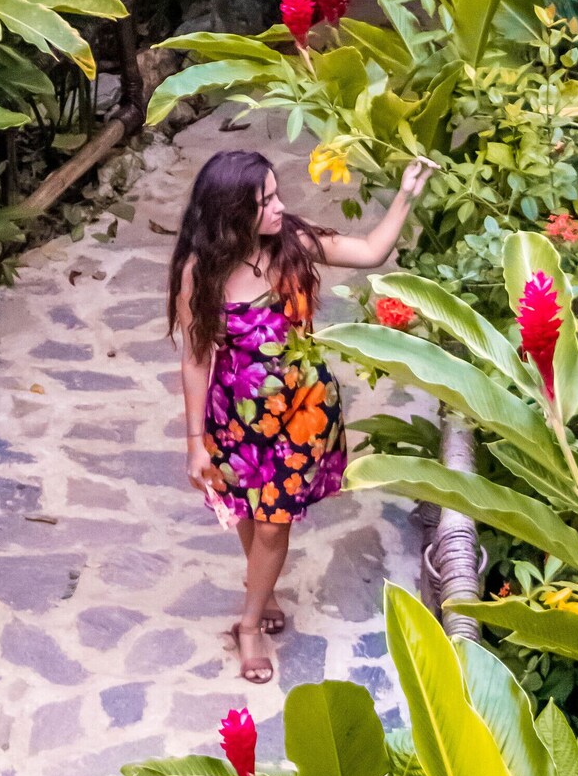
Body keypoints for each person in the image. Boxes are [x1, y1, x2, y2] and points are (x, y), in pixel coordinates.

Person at [167, 148, 436, 685]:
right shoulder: (203, 271)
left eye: (274, 194)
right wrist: (196, 441)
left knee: (272, 525)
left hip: (301, 415)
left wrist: (407, 192)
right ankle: (261, 591)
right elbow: (197, 357)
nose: (279, 207)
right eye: (264, 200)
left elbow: (369, 251)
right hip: (237, 417)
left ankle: (249, 623)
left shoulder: (292, 241)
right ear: (230, 212)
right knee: (248, 512)